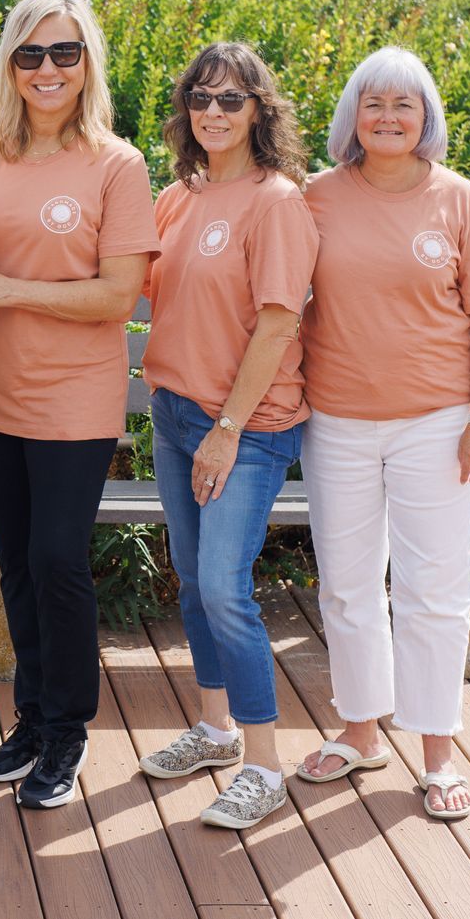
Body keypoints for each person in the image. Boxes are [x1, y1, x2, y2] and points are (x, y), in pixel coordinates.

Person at [0, 0, 158, 809]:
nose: (48, 69)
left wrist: (7, 289)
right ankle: (30, 717)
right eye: (31, 54)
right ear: (10, 66)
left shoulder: (117, 165)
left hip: (74, 401)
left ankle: (68, 729)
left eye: (64, 53)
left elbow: (118, 297)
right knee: (17, 563)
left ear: (88, 61)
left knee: (59, 561)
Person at [294, 46, 470, 822]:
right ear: (352, 115)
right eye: (373, 103)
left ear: (427, 119)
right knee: (348, 583)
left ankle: (436, 749)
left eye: (404, 104)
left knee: (435, 591)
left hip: (438, 423)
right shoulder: (314, 197)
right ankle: (360, 730)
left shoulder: (459, 200)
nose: (387, 116)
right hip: (337, 422)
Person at [133, 43, 318, 831]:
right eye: (200, 98)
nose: (213, 111)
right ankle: (214, 730)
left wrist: (228, 429)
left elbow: (279, 321)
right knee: (189, 577)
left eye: (231, 100)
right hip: (174, 413)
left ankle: (264, 765)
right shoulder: (180, 196)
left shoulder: (275, 201)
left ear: (260, 111)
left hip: (245, 425)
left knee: (223, 587)